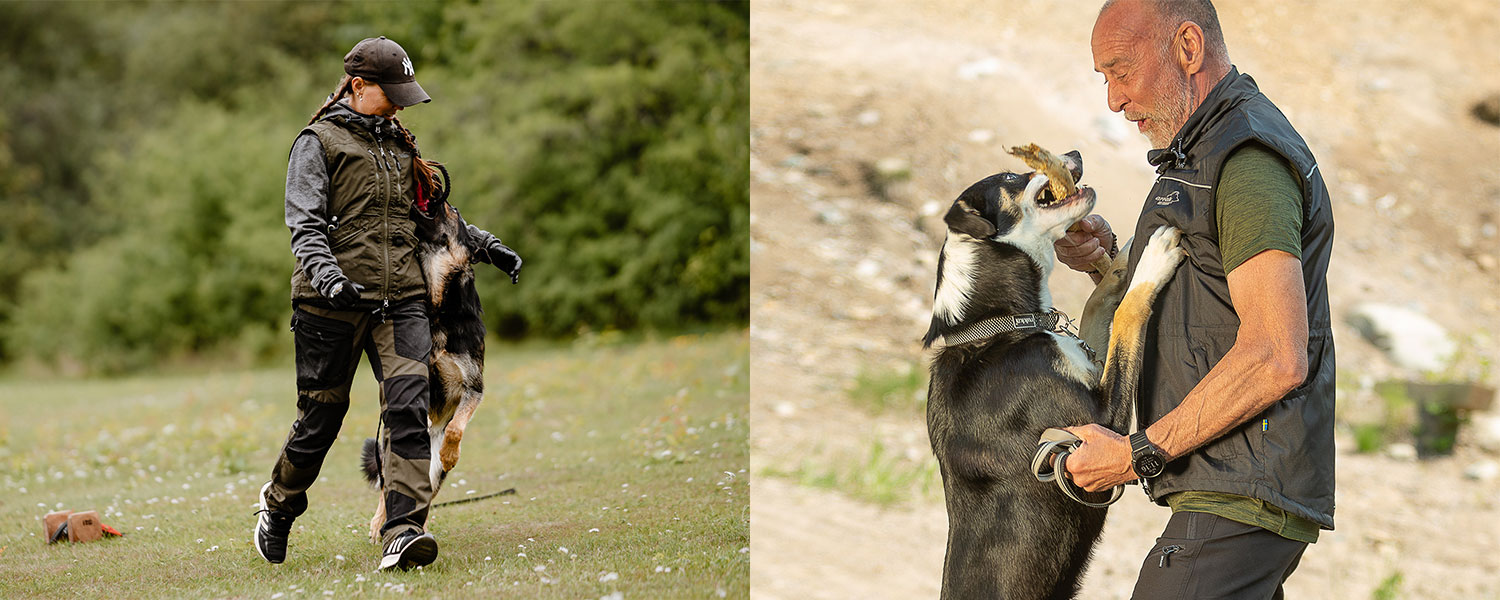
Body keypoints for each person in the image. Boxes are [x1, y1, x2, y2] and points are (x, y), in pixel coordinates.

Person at [1056, 1, 1335, 597]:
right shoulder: (1202, 151)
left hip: (1241, 492)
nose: (1113, 100)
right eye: (1104, 79)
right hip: (1237, 490)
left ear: (1188, 47)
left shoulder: (1245, 160)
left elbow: (1276, 354)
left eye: (1122, 71)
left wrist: (1136, 456)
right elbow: (1201, 298)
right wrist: (1107, 265)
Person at [253, 36, 522, 571]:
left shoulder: (401, 145)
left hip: (400, 301)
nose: (400, 103)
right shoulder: (317, 143)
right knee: (320, 420)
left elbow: (437, 214)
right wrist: (329, 278)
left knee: (407, 407)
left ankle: (401, 530)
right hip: (328, 305)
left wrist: (487, 245)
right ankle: (278, 506)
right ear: (357, 86)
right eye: (391, 92)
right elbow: (303, 226)